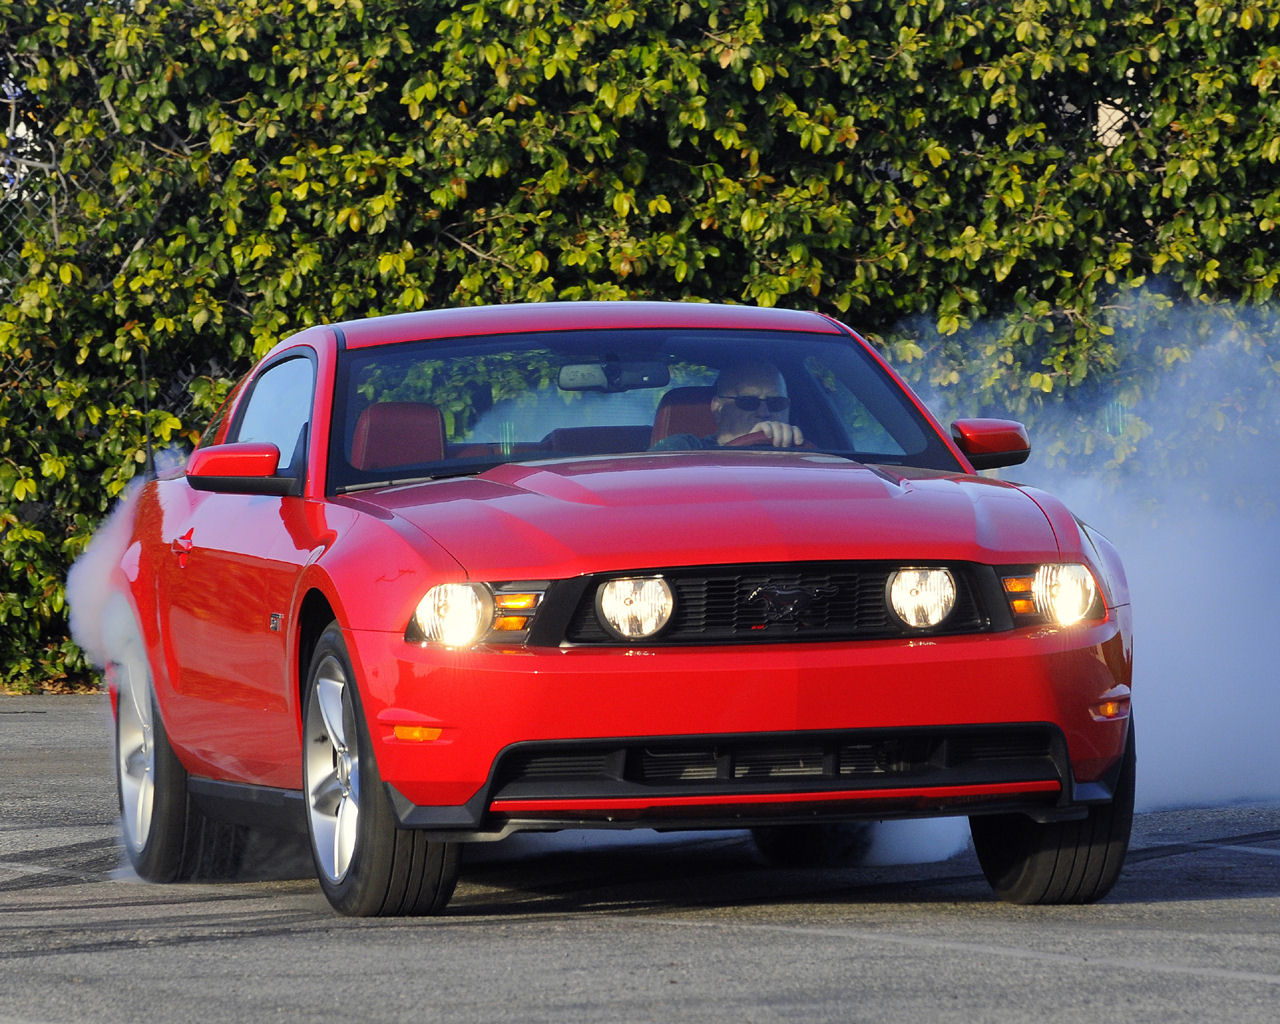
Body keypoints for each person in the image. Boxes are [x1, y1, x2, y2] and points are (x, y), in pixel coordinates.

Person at [652, 361, 805, 450]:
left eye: (776, 403)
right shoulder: (684, 449)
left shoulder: (809, 457)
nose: (764, 413)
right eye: (748, 402)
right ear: (718, 408)